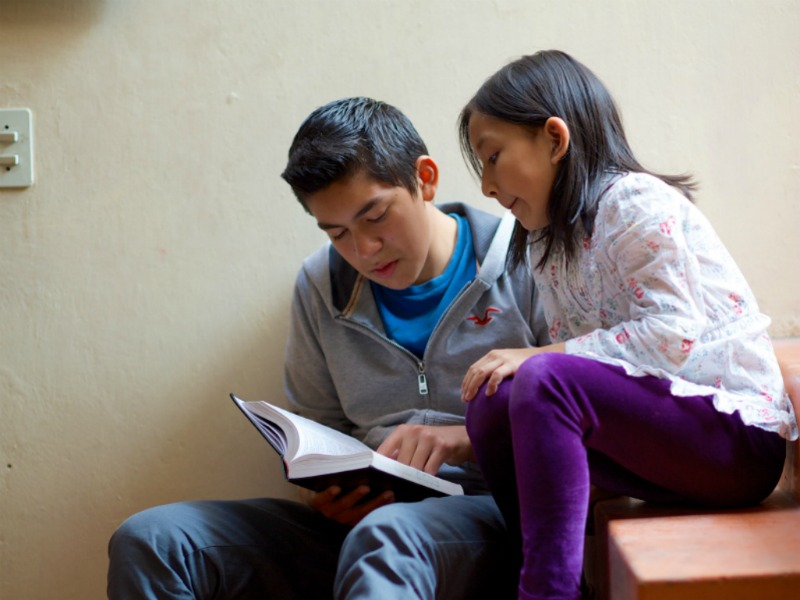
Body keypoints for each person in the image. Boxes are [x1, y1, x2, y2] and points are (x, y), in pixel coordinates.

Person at [107, 97, 549, 599]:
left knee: (387, 538)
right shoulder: (321, 283)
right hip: (366, 531)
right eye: (337, 233)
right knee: (153, 541)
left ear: (424, 178)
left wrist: (467, 437)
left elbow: (580, 408)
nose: (363, 250)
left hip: (494, 513)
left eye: (376, 217)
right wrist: (330, 496)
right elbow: (318, 435)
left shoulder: (527, 257)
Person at [456, 50, 798, 600]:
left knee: (543, 376)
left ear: (554, 138)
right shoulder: (547, 241)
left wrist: (543, 355)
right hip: (661, 440)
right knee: (494, 398)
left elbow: (671, 335)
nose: (485, 187)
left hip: (737, 443)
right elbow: (591, 376)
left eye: (492, 157)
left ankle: (547, 593)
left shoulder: (634, 201)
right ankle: (531, 573)